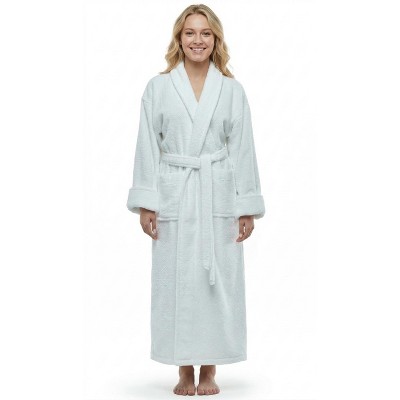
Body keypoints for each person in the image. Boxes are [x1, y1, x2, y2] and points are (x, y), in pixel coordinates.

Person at [126, 4, 265, 396]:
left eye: (205, 33)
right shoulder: (158, 88)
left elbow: (243, 149)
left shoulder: (232, 90)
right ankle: (184, 368)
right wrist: (148, 201)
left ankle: (211, 369)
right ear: (179, 38)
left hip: (217, 194)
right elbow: (146, 147)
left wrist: (246, 206)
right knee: (176, 282)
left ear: (215, 39)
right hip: (176, 193)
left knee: (216, 284)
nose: (197, 40)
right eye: (190, 33)